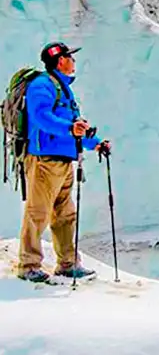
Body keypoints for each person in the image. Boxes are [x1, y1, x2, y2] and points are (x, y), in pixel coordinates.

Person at [17, 41, 110, 283]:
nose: (73, 62)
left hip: (63, 161)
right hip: (44, 160)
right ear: (61, 60)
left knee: (65, 214)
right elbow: (41, 118)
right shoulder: (42, 85)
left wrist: (97, 143)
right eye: (71, 57)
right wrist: (70, 128)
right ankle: (28, 266)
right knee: (38, 213)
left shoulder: (62, 89)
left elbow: (76, 127)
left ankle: (67, 264)